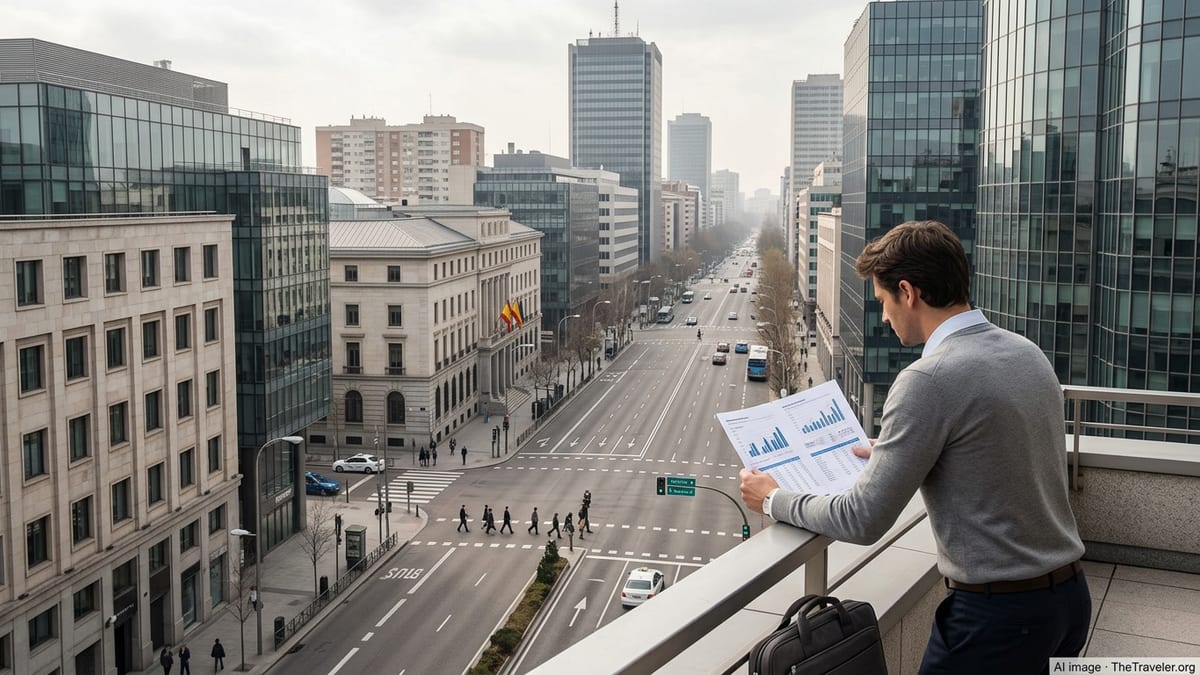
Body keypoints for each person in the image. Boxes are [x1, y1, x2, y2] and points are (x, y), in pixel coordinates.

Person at [738, 220, 1089, 674]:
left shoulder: (928, 379)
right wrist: (898, 449)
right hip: (1069, 601)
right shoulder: (1027, 352)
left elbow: (862, 519)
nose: (883, 316)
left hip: (997, 619)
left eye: (883, 300)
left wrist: (772, 498)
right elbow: (992, 449)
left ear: (908, 292)